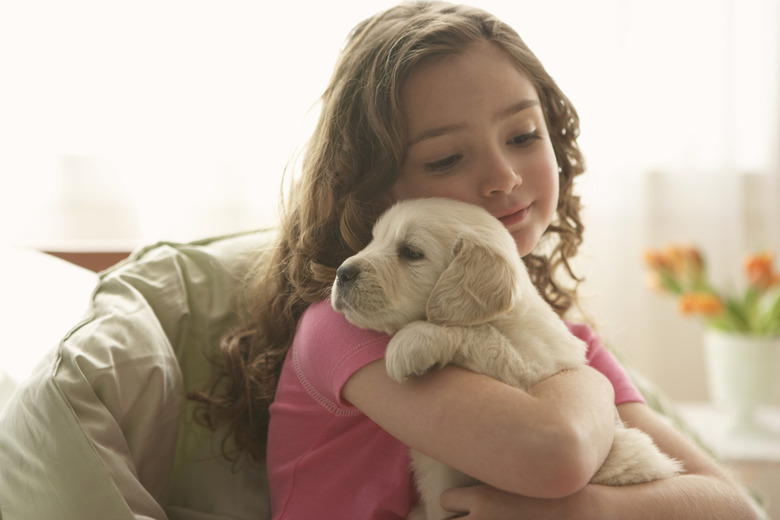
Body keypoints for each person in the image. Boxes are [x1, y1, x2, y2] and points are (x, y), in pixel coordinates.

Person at [193, 2, 759, 518]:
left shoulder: (566, 343)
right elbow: (554, 452)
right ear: (376, 193)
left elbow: (733, 508)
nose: (505, 177)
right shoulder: (348, 329)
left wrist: (592, 511)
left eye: (523, 135)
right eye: (446, 158)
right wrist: (585, 382)